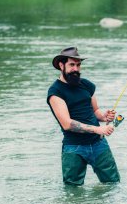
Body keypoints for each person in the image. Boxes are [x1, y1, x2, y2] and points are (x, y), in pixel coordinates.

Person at [47, 47, 120, 186]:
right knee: (73, 192)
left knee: (113, 184)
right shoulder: (55, 92)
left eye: (78, 65)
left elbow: (95, 111)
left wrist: (104, 117)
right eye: (72, 65)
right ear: (61, 66)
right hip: (74, 148)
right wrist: (97, 129)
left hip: (99, 144)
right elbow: (67, 124)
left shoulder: (87, 85)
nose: (76, 69)